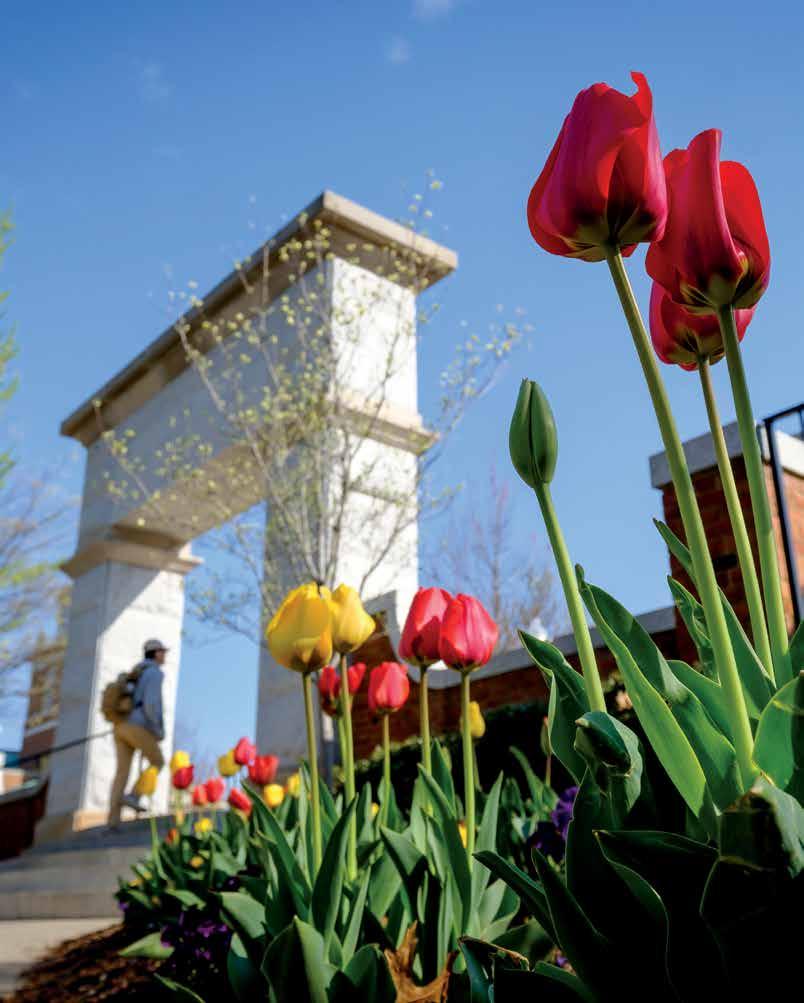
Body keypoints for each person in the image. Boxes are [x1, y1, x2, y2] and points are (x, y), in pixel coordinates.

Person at [108, 638, 168, 828]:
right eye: (163, 652)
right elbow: (151, 704)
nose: (165, 656)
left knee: (122, 772)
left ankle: (112, 821)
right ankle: (135, 795)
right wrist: (157, 729)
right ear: (156, 653)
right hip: (138, 726)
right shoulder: (154, 673)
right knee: (157, 761)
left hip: (120, 726)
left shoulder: (137, 671)